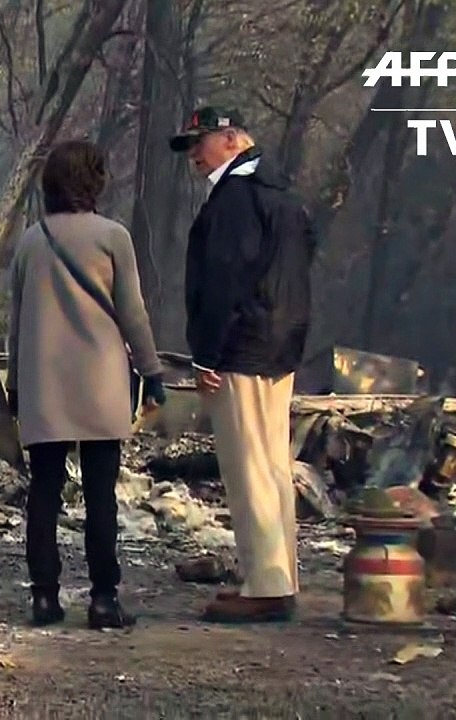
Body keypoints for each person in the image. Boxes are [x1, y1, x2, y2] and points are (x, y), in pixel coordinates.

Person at [5, 139, 168, 630]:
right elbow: (133, 314)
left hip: (44, 383)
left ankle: (45, 597)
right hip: (100, 382)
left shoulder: (32, 241)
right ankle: (102, 599)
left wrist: (14, 382)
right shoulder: (113, 237)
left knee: (44, 494)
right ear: (94, 181)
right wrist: (152, 369)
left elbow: (14, 323)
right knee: (101, 495)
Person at [169, 107, 316, 623]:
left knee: (248, 465)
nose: (193, 156)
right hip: (282, 343)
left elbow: (224, 279)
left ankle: (268, 585)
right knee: (273, 465)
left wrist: (207, 352)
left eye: (198, 143)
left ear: (230, 138)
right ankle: (275, 575)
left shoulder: (234, 198)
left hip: (242, 344)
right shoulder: (283, 193)